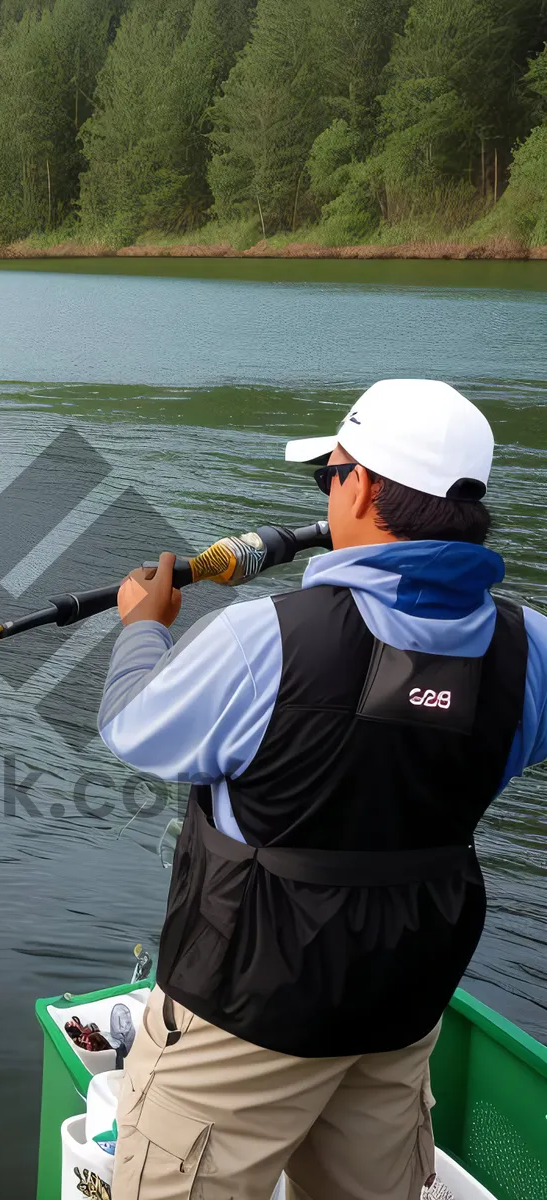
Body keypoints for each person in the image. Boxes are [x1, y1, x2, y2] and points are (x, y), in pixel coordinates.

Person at [97, 379, 547, 1200]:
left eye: (329, 475)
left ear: (365, 487)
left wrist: (144, 629)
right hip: (400, 1004)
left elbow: (135, 727)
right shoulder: (534, 650)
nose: (328, 492)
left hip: (246, 1008)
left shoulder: (260, 638)